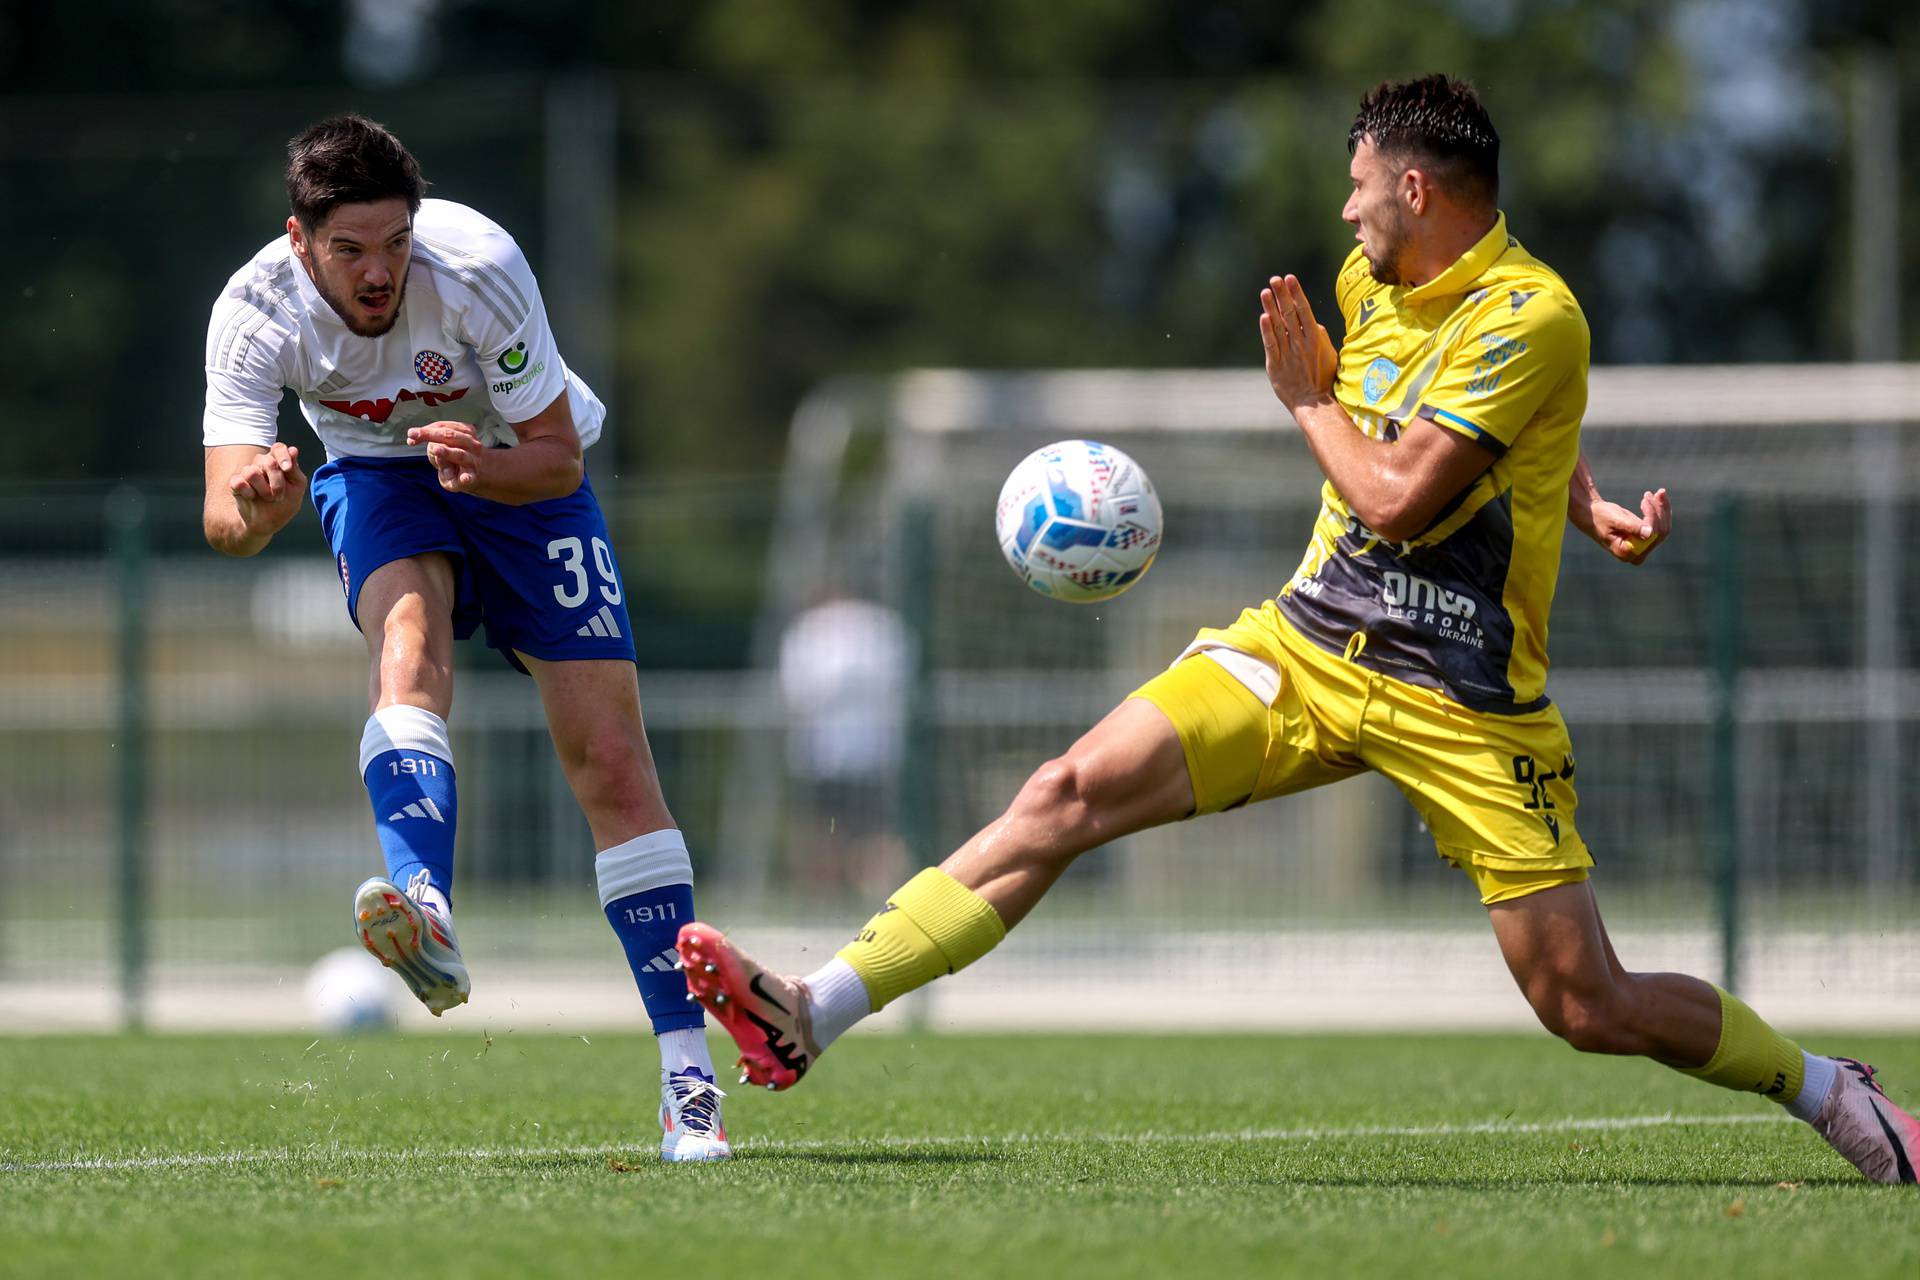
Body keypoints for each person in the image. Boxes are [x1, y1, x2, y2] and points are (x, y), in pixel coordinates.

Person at [675, 76, 1919, 1184]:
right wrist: (1577, 494)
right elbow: (1491, 428)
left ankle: (1823, 1085)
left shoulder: (1536, 315)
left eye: (1361, 190)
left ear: (1418, 189)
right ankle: (809, 1010)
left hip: (1463, 702)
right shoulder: (1371, 284)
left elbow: (1395, 488)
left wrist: (1307, 399)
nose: (1345, 215)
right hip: (1307, 648)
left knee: (1585, 1002)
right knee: (1063, 791)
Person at [200, 115, 727, 1162]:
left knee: (612, 763)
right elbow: (222, 518)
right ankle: (426, 905)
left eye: (394, 241)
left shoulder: (477, 265)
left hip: (518, 471)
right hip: (374, 472)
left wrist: (481, 468)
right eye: (350, 249)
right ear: (299, 240)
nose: (379, 270)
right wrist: (259, 505)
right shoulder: (253, 313)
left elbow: (558, 460)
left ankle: (688, 1079)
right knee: (408, 642)